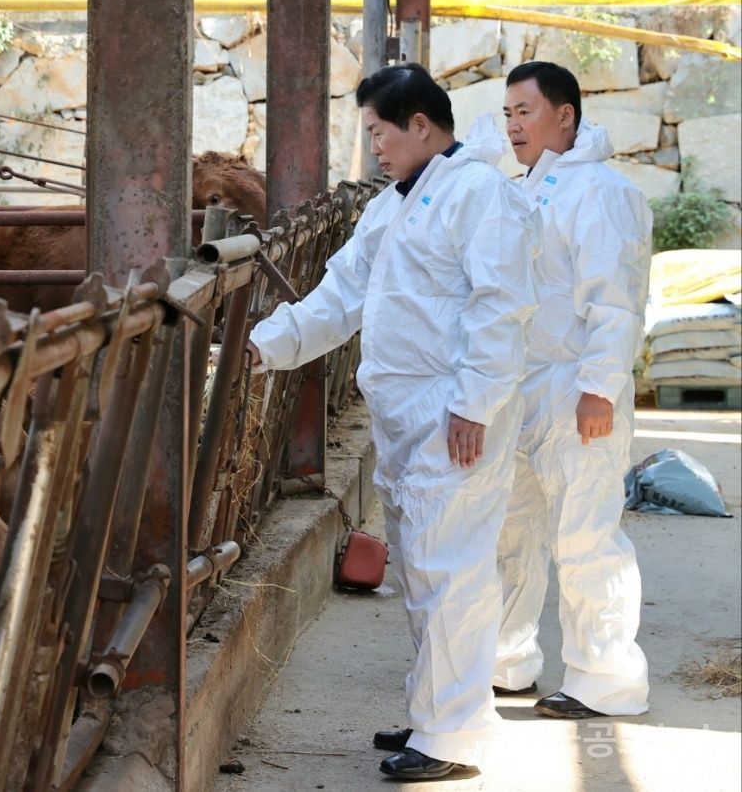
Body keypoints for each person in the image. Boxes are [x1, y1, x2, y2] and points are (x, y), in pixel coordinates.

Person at [246, 63, 536, 780]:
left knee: (451, 568)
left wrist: (474, 402)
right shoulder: (393, 205)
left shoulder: (478, 194)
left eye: (379, 131)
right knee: (420, 565)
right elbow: (338, 296)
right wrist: (260, 347)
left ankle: (453, 736)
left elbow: (501, 304)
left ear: (419, 124)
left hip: (452, 409)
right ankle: (436, 714)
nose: (373, 146)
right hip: (406, 413)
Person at [494, 61, 652, 720]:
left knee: (586, 533)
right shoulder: (527, 189)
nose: (512, 125)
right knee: (511, 530)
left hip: (578, 387)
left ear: (566, 115)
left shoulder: (600, 191)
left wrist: (598, 390)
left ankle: (608, 678)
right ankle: (506, 661)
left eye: (524, 112)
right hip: (524, 390)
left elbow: (615, 302)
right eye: (506, 113)